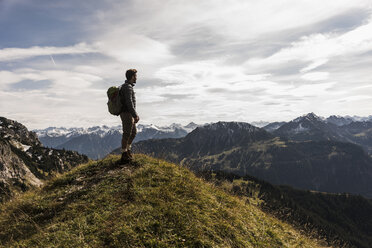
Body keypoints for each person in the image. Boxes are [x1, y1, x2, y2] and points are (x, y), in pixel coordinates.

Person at [119, 69, 139, 163]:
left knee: (133, 132)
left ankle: (128, 150)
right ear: (132, 77)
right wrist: (135, 115)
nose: (136, 78)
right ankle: (124, 154)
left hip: (128, 113)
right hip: (127, 113)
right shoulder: (128, 87)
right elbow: (129, 102)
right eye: (135, 76)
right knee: (127, 133)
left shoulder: (128, 87)